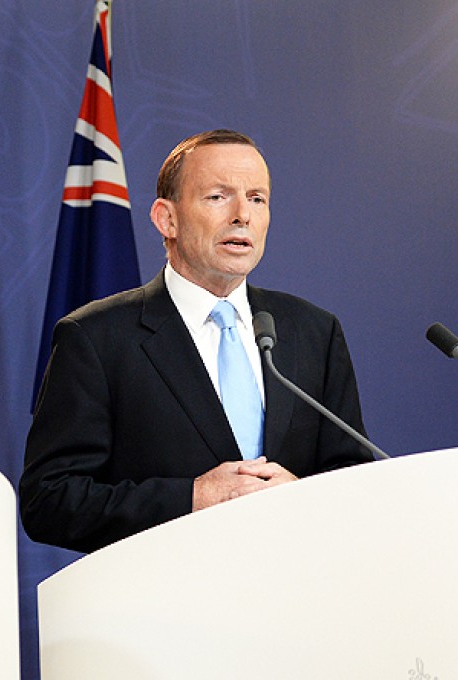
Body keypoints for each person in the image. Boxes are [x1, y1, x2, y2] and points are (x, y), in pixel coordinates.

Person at [20, 129, 374, 553]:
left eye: (257, 198)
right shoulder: (97, 337)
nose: (242, 214)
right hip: (163, 604)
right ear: (166, 219)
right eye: (218, 197)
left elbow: (355, 478)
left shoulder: (313, 331)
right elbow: (51, 500)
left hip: (293, 596)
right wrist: (193, 497)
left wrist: (302, 495)